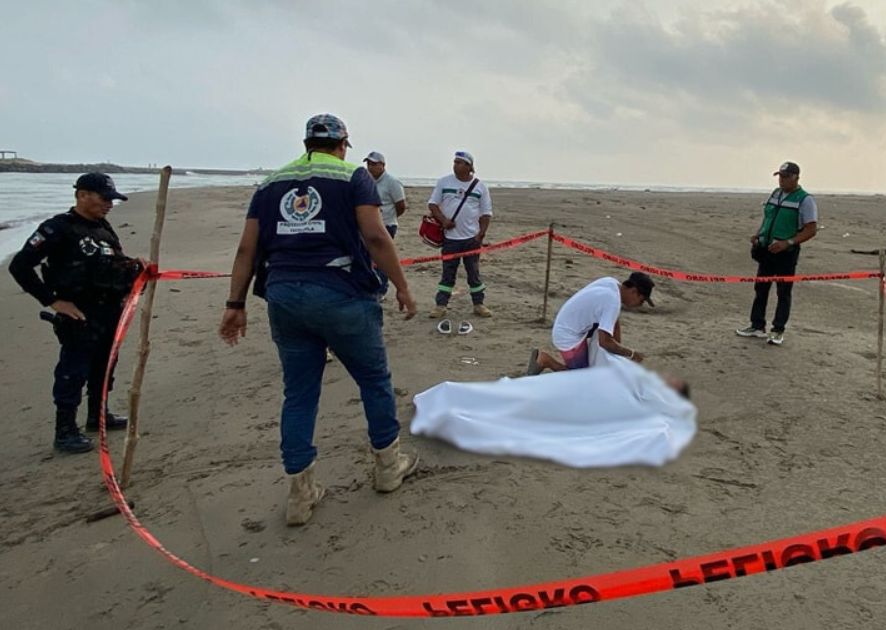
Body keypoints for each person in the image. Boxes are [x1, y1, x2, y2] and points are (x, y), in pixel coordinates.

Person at [218, 113, 419, 526]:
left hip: (285, 295)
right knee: (373, 379)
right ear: (344, 143)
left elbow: (246, 250)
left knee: (300, 392)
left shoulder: (271, 182)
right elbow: (376, 236)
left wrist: (235, 303)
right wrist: (401, 285)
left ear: (306, 143)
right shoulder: (353, 177)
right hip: (342, 291)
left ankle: (300, 492)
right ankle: (387, 467)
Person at [8, 173, 140, 454]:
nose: (109, 205)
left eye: (112, 200)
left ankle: (98, 415)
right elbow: (20, 266)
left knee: (105, 366)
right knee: (73, 370)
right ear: (82, 195)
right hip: (79, 314)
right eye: (104, 199)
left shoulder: (103, 228)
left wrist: (136, 269)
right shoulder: (57, 229)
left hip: (109, 311)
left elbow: (113, 263)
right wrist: (53, 301)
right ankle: (65, 430)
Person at [412, 356, 695, 468]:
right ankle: (452, 398)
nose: (669, 376)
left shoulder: (652, 402)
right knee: (514, 395)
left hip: (581, 402)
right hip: (575, 390)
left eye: (674, 382)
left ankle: (454, 413)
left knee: (523, 408)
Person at [736, 161, 818, 345]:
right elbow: (768, 218)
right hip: (766, 250)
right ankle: (757, 326)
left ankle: (778, 330)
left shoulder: (805, 200)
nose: (781, 180)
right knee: (761, 288)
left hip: (786, 253)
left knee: (783, 291)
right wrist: (759, 235)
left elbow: (811, 230)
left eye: (786, 177)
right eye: (780, 176)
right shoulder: (775, 194)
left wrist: (787, 243)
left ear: (796, 178)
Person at [526, 272, 655, 375]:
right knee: (582, 379)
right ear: (633, 292)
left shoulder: (611, 283)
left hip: (569, 322)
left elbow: (613, 320)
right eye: (641, 300)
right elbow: (604, 342)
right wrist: (631, 354)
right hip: (567, 335)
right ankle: (545, 360)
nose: (640, 305)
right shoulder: (612, 301)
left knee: (598, 363)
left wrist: (617, 355)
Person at [428, 151, 493, 319]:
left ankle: (479, 304)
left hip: (471, 239)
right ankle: (441, 305)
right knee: (448, 274)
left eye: (460, 162)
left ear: (469, 166)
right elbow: (433, 205)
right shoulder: (444, 182)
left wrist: (481, 235)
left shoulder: (480, 187)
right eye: (455, 162)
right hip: (450, 239)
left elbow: (486, 213)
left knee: (474, 273)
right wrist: (443, 220)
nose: (455, 165)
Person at [363, 151, 407, 239]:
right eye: (368, 164)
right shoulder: (366, 181)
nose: (370, 167)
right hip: (369, 224)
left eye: (374, 164)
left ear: (382, 165)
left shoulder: (392, 182)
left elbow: (401, 206)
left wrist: (389, 217)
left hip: (387, 225)